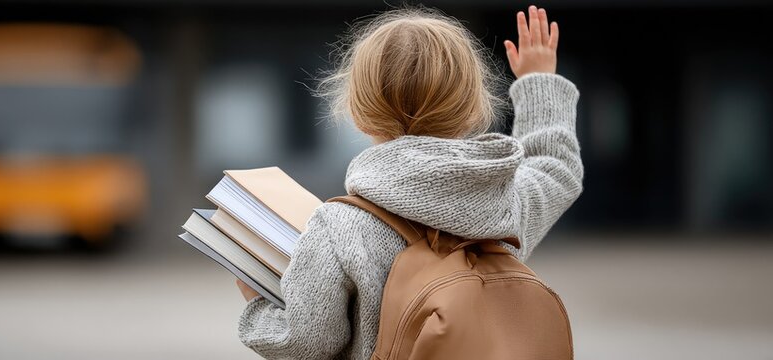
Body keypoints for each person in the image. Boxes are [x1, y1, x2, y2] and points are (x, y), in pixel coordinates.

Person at [236, 5, 583, 359]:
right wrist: (539, 81)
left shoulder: (339, 227)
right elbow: (555, 168)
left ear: (359, 114)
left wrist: (259, 306)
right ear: (472, 109)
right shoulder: (502, 206)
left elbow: (306, 342)